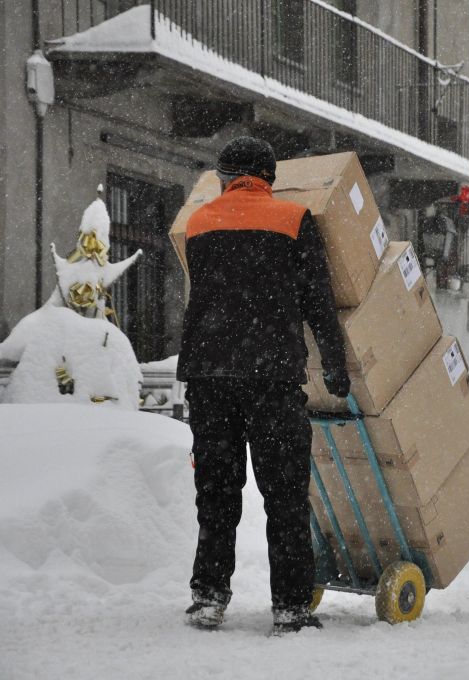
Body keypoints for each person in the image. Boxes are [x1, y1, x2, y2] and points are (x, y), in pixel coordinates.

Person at [176, 137, 350, 634]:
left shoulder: (199, 223)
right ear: (268, 178)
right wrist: (335, 365)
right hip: (271, 378)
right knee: (285, 495)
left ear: (225, 178)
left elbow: (210, 296)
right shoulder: (293, 220)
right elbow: (318, 301)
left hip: (208, 377)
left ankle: (208, 597)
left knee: (216, 492)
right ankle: (290, 607)